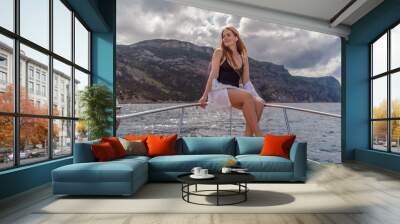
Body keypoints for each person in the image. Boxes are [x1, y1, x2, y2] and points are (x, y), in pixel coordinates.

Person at [198, 26, 265, 137]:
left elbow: (246, 81)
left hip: (235, 91)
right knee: (247, 96)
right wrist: (204, 96)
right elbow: (213, 75)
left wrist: (257, 97)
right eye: (223, 36)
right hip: (219, 90)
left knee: (259, 102)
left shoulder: (243, 57)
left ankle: (247, 137)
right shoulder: (220, 52)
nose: (225, 38)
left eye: (228, 35)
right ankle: (259, 136)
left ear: (236, 38)